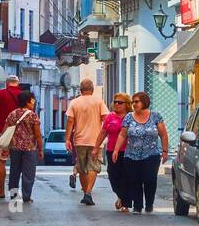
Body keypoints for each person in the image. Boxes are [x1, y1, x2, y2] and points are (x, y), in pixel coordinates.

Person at [113, 92, 168, 214]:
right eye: (133, 102)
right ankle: (137, 206)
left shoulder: (155, 116)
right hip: (131, 155)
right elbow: (122, 134)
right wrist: (116, 150)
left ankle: (149, 203)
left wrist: (165, 151)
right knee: (134, 180)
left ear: (144, 102)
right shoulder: (128, 117)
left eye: (136, 101)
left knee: (150, 179)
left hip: (151, 155)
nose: (134, 104)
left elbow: (163, 134)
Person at [64, 78, 108, 206]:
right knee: (94, 167)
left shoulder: (74, 103)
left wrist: (67, 139)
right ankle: (88, 193)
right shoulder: (99, 102)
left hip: (79, 141)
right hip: (96, 141)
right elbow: (106, 119)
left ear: (80, 90)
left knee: (82, 168)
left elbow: (70, 122)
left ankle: (85, 193)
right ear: (92, 89)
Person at [4, 88, 43, 203]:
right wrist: (40, 149)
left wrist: (5, 146)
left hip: (15, 148)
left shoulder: (13, 114)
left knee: (14, 172)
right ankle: (26, 196)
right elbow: (37, 135)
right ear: (27, 101)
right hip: (29, 148)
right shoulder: (33, 116)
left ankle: (13, 196)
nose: (33, 102)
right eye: (32, 100)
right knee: (28, 174)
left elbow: (5, 129)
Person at [96, 93, 132, 211]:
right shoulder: (110, 117)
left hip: (128, 152)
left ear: (127, 104)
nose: (116, 104)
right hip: (112, 151)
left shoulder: (131, 117)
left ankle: (125, 203)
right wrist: (96, 147)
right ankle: (121, 196)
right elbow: (103, 133)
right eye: (115, 101)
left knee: (126, 177)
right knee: (113, 176)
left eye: (120, 102)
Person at [0, 74, 20, 199]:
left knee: (1, 161)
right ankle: (14, 191)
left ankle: (1, 191)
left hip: (4, 132)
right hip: (20, 134)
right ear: (18, 83)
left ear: (7, 83)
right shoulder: (23, 94)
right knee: (17, 163)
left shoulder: (1, 93)